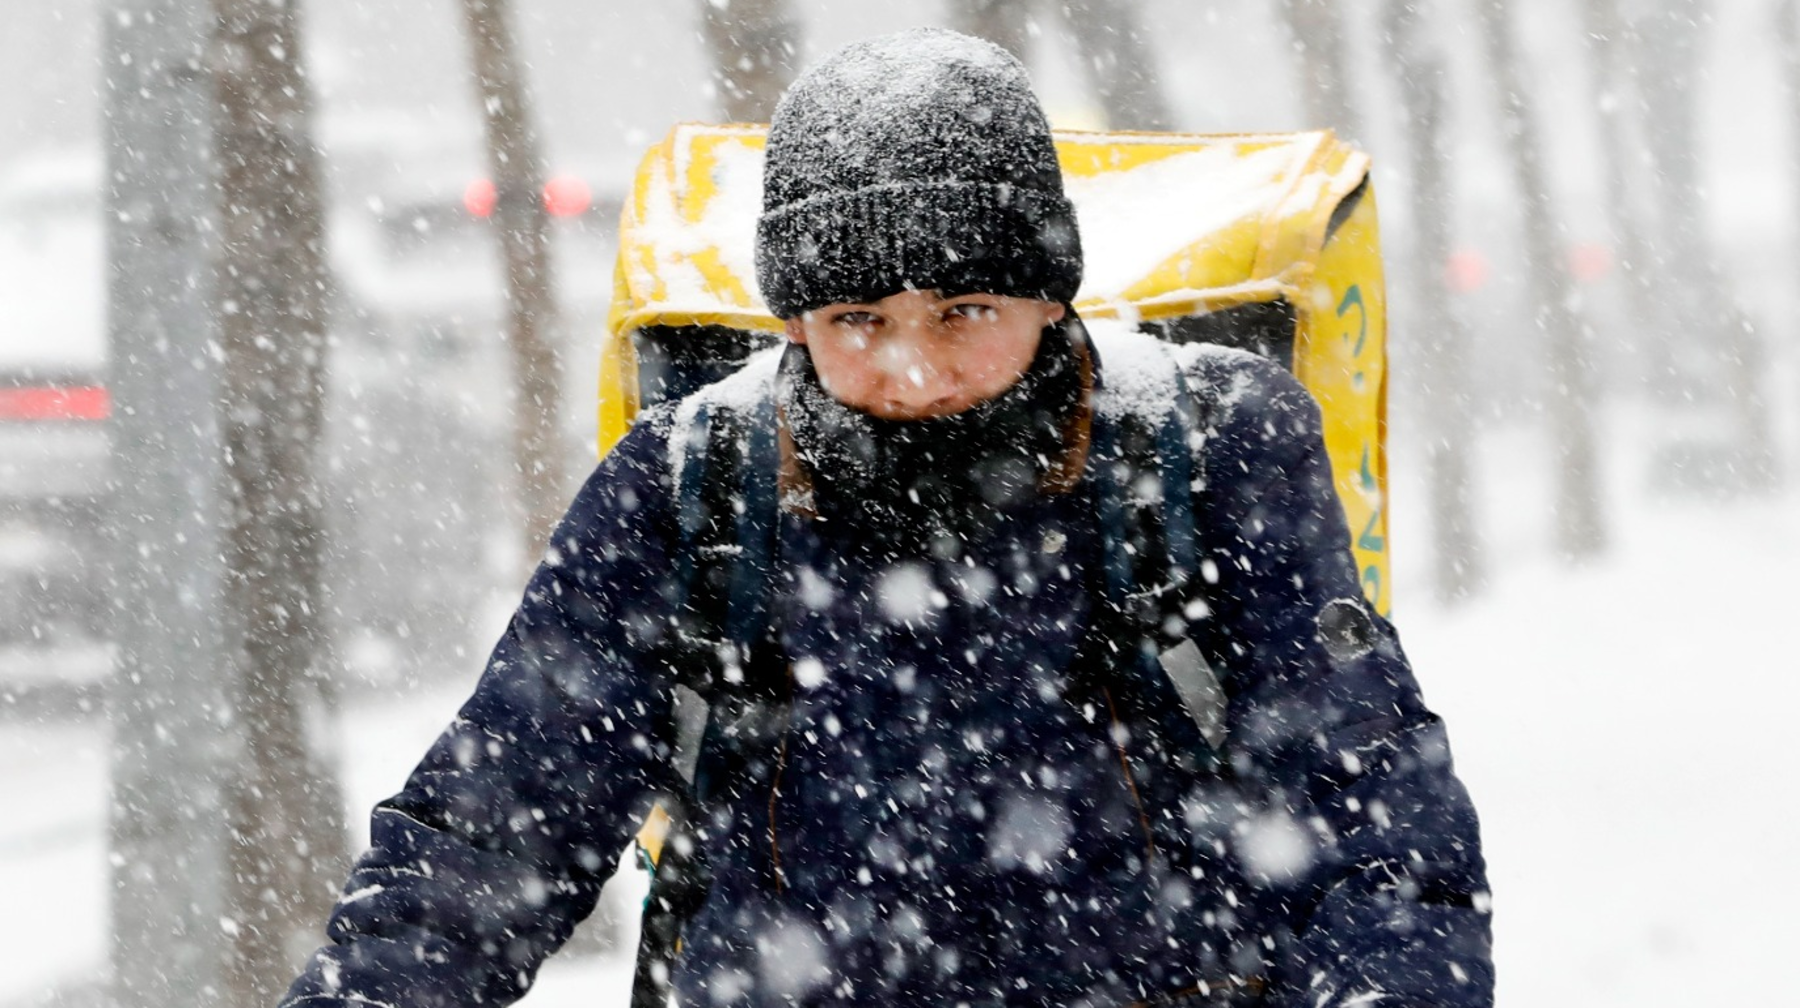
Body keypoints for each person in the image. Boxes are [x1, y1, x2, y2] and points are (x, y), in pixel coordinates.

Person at [279, 28, 1492, 1008]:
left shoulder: (1207, 446)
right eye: (858, 317)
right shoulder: (692, 483)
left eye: (965, 308)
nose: (913, 370)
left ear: (1048, 289)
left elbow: (1366, 810)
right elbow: (490, 835)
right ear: (794, 320)